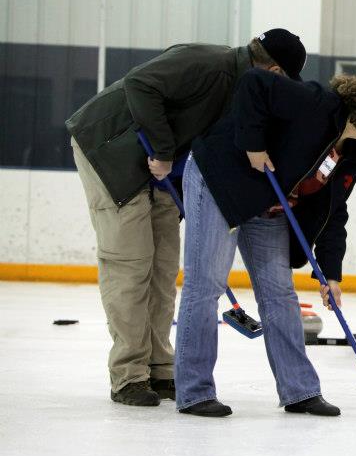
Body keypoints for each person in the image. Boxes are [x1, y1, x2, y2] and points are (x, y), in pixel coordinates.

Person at [65, 29, 307, 406]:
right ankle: (129, 375)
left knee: (162, 268)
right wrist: (163, 150)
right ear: (275, 71)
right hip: (111, 153)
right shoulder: (208, 62)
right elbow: (140, 83)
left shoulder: (241, 89)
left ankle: (160, 366)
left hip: (159, 171)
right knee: (131, 265)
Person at [174, 69, 356, 417]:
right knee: (206, 283)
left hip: (267, 203)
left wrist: (331, 274)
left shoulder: (354, 152)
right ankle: (194, 392)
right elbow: (252, 84)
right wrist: (253, 145)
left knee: (279, 293)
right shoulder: (314, 103)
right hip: (220, 180)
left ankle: (300, 391)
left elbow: (335, 209)